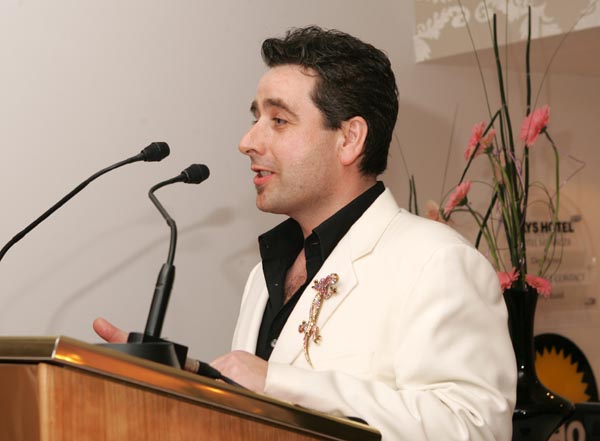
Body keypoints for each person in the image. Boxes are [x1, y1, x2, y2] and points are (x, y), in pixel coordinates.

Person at [95, 26, 516, 440]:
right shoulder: (264, 274)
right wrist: (184, 381)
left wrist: (279, 384)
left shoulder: (436, 261)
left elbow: (474, 429)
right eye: (255, 118)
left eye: (278, 120)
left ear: (349, 138)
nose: (247, 141)